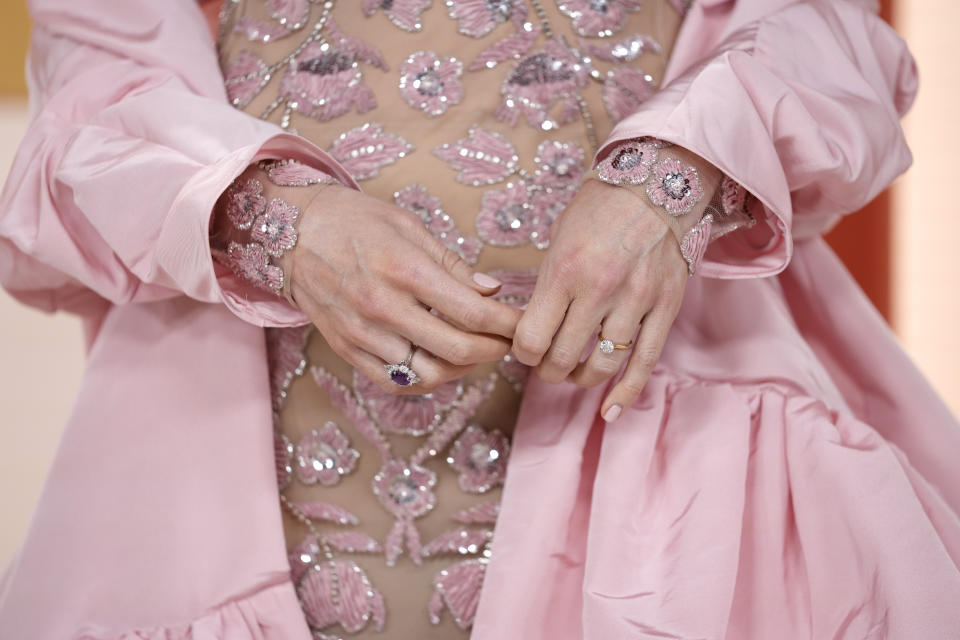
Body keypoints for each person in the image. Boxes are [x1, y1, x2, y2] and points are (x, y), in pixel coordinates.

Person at [1, 0, 958, 638]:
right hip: (238, 442)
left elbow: (826, 35)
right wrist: (272, 218)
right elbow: (89, 109)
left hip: (663, 435)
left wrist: (677, 174)